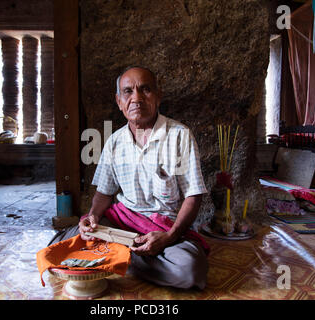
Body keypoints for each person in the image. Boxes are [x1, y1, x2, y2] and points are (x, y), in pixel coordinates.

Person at [50, 66, 209, 289]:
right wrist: (94, 217)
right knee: (58, 245)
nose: (136, 98)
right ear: (119, 101)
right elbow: (104, 193)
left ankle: (116, 258)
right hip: (121, 226)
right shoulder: (114, 142)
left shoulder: (179, 136)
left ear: (158, 95)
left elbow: (194, 196)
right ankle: (126, 255)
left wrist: (169, 237)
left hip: (163, 228)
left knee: (189, 271)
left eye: (145, 90)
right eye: (128, 91)